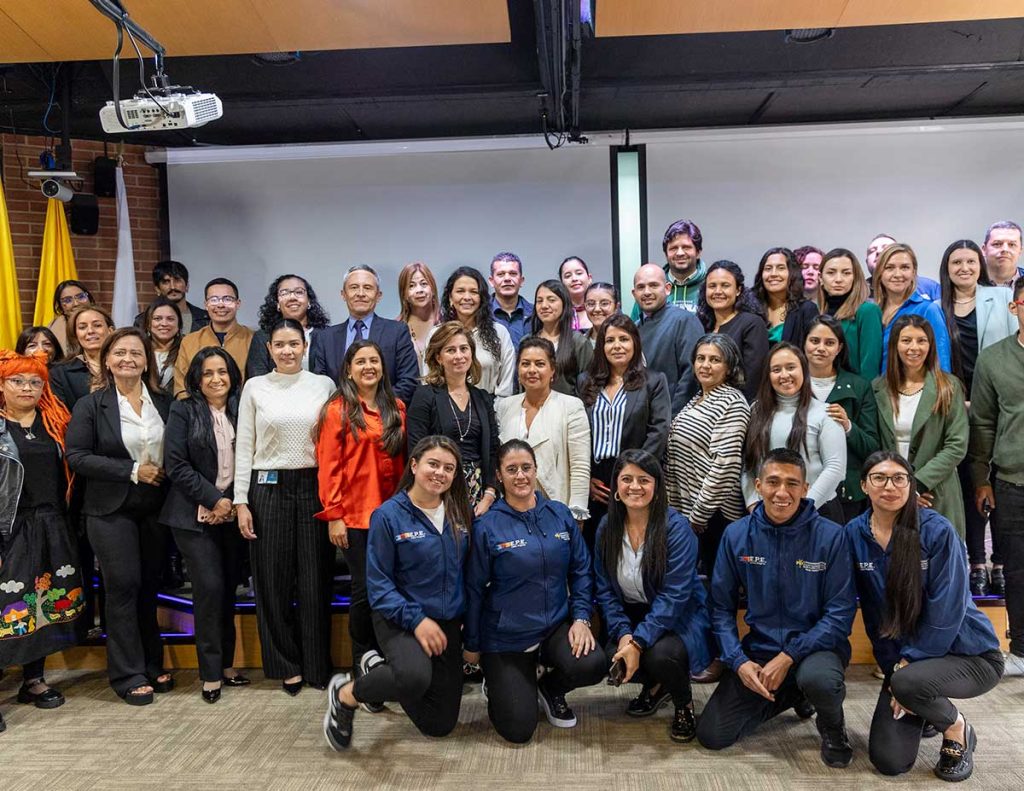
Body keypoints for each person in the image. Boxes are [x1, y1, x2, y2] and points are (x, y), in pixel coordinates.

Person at [848, 451, 1004, 781]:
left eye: (899, 478)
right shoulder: (853, 534)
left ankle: (956, 728)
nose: (889, 486)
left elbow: (947, 611)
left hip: (969, 655)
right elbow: (875, 617)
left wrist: (906, 670)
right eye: (879, 478)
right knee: (889, 760)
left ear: (911, 485)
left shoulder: (937, 531)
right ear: (864, 485)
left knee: (908, 683)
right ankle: (922, 703)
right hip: (905, 663)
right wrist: (894, 669)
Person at [697, 449, 856, 767]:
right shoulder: (736, 535)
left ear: (805, 488)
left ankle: (832, 725)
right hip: (760, 650)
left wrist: (789, 656)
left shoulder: (832, 537)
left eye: (792, 484)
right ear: (758, 485)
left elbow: (839, 616)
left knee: (819, 680)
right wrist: (738, 661)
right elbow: (720, 609)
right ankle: (793, 693)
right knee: (713, 735)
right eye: (773, 482)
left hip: (818, 650)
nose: (782, 492)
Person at [323, 436, 473, 750]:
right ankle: (347, 694)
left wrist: (466, 621)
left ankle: (381, 671)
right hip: (400, 617)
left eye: (449, 468)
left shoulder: (459, 511)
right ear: (414, 465)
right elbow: (379, 587)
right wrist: (417, 621)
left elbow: (467, 573)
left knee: (439, 725)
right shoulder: (388, 516)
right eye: (433, 464)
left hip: (446, 620)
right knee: (414, 677)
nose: (440, 473)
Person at [464, 439, 605, 742]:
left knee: (593, 663)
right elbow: (474, 589)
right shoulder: (488, 526)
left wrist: (581, 618)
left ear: (536, 470)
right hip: (506, 638)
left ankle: (549, 687)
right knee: (518, 730)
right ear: (499, 475)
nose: (520, 476)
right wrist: (472, 644)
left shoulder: (559, 514)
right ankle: (501, 680)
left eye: (526, 467)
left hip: (553, 626)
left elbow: (581, 570)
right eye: (511, 469)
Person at [65, 328, 172, 704]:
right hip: (109, 509)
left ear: (147, 361)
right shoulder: (91, 406)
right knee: (123, 586)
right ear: (107, 361)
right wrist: (132, 470)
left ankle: (151, 663)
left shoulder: (164, 402)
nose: (128, 359)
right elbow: (77, 456)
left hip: (156, 509)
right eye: (120, 353)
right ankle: (127, 674)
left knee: (148, 587)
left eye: (136, 353)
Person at [234, 319, 336, 694]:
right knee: (272, 580)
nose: (287, 351)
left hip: (313, 486)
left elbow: (333, 444)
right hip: (267, 487)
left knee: (314, 579)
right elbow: (245, 445)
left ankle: (316, 664)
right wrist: (241, 500)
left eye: (294, 343)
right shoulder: (255, 386)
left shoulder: (323, 385)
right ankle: (285, 664)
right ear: (269, 349)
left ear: (304, 347)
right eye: (280, 344)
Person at [594, 450, 716, 742]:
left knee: (661, 655)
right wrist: (624, 634)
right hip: (634, 614)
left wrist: (638, 642)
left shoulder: (677, 528)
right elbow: (605, 590)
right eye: (627, 479)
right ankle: (657, 686)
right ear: (616, 486)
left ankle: (683, 702)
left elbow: (674, 597)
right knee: (611, 655)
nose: (635, 486)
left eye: (644, 480)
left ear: (657, 487)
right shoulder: (607, 527)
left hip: (680, 616)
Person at [315, 339, 406, 702]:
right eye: (361, 361)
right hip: (355, 518)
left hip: (392, 517)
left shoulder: (397, 407)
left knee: (392, 590)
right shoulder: (337, 411)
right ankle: (361, 665)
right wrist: (334, 516)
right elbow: (329, 468)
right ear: (349, 370)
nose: (369, 367)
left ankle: (388, 663)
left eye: (374, 361)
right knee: (365, 591)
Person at [159, 348, 249, 703]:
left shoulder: (241, 408)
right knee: (209, 589)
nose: (216, 379)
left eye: (222, 372)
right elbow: (176, 464)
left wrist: (232, 502)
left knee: (227, 589)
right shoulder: (183, 410)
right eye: (208, 373)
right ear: (197, 379)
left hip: (232, 515)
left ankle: (226, 665)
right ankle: (210, 674)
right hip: (192, 516)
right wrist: (214, 499)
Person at [0, 351, 84, 725]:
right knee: (8, 606)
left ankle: (33, 680)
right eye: (17, 381)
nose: (27, 388)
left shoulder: (56, 424)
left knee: (43, 603)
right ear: (2, 385)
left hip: (53, 524)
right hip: (11, 526)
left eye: (35, 382)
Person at [938, 239, 1016, 594]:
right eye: (956, 262)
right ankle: (977, 562)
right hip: (956, 406)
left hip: (997, 403)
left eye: (970, 261)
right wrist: (960, 401)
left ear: (980, 265)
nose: (964, 268)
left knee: (999, 484)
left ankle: (1000, 561)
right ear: (947, 268)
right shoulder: (937, 307)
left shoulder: (1001, 297)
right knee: (970, 484)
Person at [970, 277, 1024, 675]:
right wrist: (981, 479)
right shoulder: (993, 359)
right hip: (1011, 482)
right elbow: (983, 424)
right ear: (1014, 307)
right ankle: (1020, 649)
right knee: (1018, 570)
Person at [579, 314, 670, 544]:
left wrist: (633, 476)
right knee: (597, 543)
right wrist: (586, 478)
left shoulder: (654, 381)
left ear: (635, 343)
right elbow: (577, 434)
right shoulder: (585, 382)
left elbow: (659, 431)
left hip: (636, 475)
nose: (617, 346)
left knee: (633, 542)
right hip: (596, 480)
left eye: (624, 339)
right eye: (610, 340)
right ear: (601, 346)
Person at [874, 315, 968, 536]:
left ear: (931, 345)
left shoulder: (949, 386)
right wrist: (899, 486)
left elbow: (957, 445)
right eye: (906, 340)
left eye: (921, 340)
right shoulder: (878, 387)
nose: (914, 347)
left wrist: (917, 485)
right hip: (890, 493)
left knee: (939, 553)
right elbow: (876, 443)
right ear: (895, 345)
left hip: (936, 492)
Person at [666, 333, 750, 576]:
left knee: (717, 585)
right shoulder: (697, 399)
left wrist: (698, 515)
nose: (705, 365)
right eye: (700, 358)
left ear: (729, 367)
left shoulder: (732, 402)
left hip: (713, 517)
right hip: (688, 514)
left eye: (715, 360)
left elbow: (726, 466)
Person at [742, 343, 847, 522]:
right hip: (767, 513)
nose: (784, 375)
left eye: (791, 367)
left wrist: (802, 508)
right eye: (776, 370)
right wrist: (752, 502)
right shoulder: (756, 411)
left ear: (804, 371)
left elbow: (836, 468)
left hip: (817, 512)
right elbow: (748, 463)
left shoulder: (826, 413)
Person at [407, 322, 500, 516]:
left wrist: (489, 494)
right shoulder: (425, 396)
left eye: (464, 349)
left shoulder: (483, 398)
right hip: (436, 490)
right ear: (439, 358)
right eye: (451, 350)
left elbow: (492, 450)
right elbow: (416, 450)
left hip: (480, 496)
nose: (459, 356)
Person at [495, 338, 591, 520]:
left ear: (552, 370)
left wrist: (577, 515)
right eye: (525, 364)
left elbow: (580, 467)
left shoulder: (571, 407)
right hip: (511, 511)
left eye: (539, 364)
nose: (532, 370)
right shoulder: (505, 406)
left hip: (557, 510)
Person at [804, 316, 878, 524]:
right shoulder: (790, 383)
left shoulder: (859, 386)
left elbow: (872, 448)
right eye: (814, 341)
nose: (821, 348)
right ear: (804, 342)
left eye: (829, 343)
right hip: (799, 489)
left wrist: (848, 426)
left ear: (839, 348)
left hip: (846, 495)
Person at [312, 265, 419, 400]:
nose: (361, 293)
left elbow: (409, 381)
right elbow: (321, 386)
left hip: (385, 410)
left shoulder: (397, 331)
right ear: (343, 294)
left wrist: (372, 406)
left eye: (367, 288)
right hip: (339, 411)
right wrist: (343, 407)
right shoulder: (325, 337)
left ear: (378, 296)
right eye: (354, 287)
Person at [429, 267, 515, 398]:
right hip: (444, 406)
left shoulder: (500, 333)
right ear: (450, 297)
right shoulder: (436, 333)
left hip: (491, 407)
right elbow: (429, 379)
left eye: (474, 292)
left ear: (481, 298)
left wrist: (493, 409)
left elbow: (506, 387)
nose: (467, 297)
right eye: (460, 291)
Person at [696, 260, 768, 401]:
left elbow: (753, 378)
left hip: (736, 407)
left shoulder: (752, 324)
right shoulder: (702, 325)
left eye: (725, 285)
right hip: (704, 405)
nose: (718, 291)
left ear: (738, 290)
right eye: (712, 286)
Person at [633, 263, 701, 414]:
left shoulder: (684, 321)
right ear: (634, 293)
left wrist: (673, 416)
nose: (647, 292)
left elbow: (691, 376)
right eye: (641, 287)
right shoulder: (634, 329)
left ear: (667, 288)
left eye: (653, 285)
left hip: (674, 416)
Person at [875, 244, 952, 372]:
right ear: (879, 272)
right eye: (889, 267)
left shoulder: (928, 310)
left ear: (914, 272)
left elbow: (941, 364)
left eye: (905, 267)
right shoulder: (873, 312)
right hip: (877, 384)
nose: (897, 274)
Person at [174, 278, 255, 396]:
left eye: (227, 299)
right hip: (198, 406)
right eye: (214, 300)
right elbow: (181, 387)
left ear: (238, 304)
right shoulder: (189, 341)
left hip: (244, 405)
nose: (220, 305)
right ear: (206, 305)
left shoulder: (253, 339)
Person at [246, 274, 330, 378]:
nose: (292, 297)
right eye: (284, 293)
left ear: (309, 300)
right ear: (277, 302)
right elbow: (257, 377)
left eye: (299, 292)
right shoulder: (263, 336)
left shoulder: (326, 335)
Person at [816, 247, 883, 378]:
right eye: (831, 273)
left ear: (855, 277)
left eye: (846, 273)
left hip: (854, 388)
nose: (838, 279)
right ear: (820, 278)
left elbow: (870, 369)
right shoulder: (815, 313)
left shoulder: (867, 311)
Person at [525, 279, 594, 397]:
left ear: (564, 304)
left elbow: (589, 385)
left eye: (551, 300)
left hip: (569, 407)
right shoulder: (527, 341)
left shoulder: (578, 342)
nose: (544, 306)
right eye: (539, 301)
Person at [631, 219, 708, 319]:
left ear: (698, 252)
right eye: (673, 248)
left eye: (686, 247)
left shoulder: (710, 286)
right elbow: (634, 326)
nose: (680, 253)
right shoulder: (649, 288)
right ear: (666, 254)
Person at [49, 304, 115, 411]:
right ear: (76, 335)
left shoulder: (125, 365)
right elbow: (61, 415)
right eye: (82, 327)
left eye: (97, 325)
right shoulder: (60, 373)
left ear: (110, 331)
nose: (90, 331)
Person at [753, 247, 819, 349]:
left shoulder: (806, 309)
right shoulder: (751, 308)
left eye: (781, 268)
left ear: (792, 273)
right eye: (768, 268)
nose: (773, 274)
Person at [132, 260, 210, 334]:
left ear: (187, 286)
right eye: (166, 282)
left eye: (177, 280)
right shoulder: (142, 321)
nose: (173, 287)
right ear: (157, 289)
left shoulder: (206, 318)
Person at [866, 234, 941, 301]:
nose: (879, 252)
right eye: (872, 251)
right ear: (866, 262)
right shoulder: (861, 291)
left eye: (886, 248)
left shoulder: (928, 287)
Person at [398, 262, 442, 372]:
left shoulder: (447, 323)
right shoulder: (396, 329)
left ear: (433, 289)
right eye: (411, 286)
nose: (419, 290)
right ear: (404, 294)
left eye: (424, 284)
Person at [488, 252, 533, 348]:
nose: (507, 278)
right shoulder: (480, 314)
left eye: (513, 274)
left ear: (521, 281)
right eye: (501, 274)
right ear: (491, 281)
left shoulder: (536, 314)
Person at [141, 297, 183, 395]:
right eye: (157, 319)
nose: (164, 324)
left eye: (170, 319)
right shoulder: (139, 349)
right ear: (148, 323)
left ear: (179, 324)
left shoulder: (187, 349)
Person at [47, 279, 95, 352]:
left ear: (89, 299)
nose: (76, 303)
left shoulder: (103, 320)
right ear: (60, 308)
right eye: (68, 300)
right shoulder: (54, 328)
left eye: (81, 297)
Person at [982, 220, 1024, 288]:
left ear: (1020, 251)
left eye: (1012, 244)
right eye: (997, 244)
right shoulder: (968, 280)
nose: (1005, 249)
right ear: (984, 249)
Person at [559, 256, 593, 331]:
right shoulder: (558, 313)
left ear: (589, 278)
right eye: (568, 276)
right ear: (561, 284)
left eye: (579, 273)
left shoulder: (602, 310)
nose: (574, 279)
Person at [582, 282, 620, 347]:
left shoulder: (628, 339)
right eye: (591, 304)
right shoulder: (579, 343)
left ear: (616, 307)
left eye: (604, 304)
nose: (597, 309)